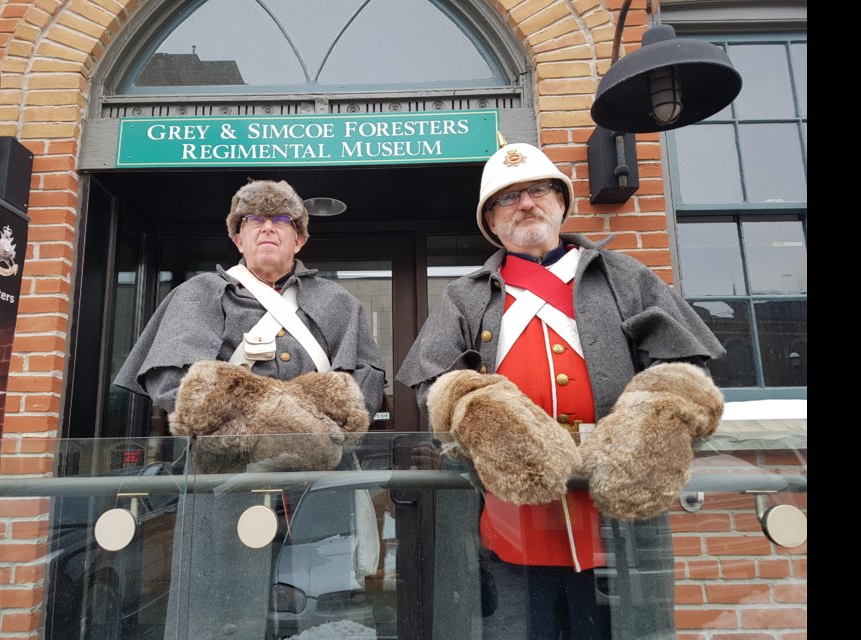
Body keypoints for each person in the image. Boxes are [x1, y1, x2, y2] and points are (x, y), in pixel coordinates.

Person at [396, 142, 726, 640]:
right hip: (512, 509)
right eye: (508, 199)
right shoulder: (464, 295)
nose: (526, 204)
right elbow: (433, 380)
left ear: (560, 202)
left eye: (537, 191)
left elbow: (683, 365)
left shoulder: (624, 276)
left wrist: (650, 428)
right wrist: (486, 421)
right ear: (491, 221)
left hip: (618, 502)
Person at [113, 178, 386, 638]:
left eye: (281, 220)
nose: (267, 228)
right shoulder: (198, 294)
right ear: (237, 237)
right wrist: (280, 419)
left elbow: (363, 392)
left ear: (300, 237)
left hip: (318, 491)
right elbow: (172, 385)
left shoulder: (339, 304)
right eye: (253, 220)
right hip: (223, 487)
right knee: (220, 616)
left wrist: (300, 429)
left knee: (322, 615)